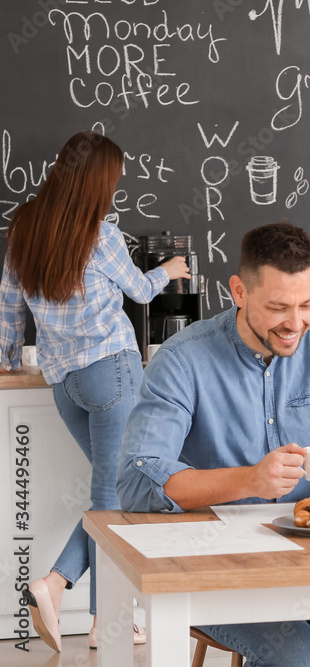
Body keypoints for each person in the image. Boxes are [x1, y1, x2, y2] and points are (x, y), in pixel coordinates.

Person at [116, 221, 310, 666]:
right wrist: (248, 480)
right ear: (239, 292)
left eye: (308, 305)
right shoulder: (183, 360)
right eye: (279, 307)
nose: (295, 323)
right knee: (294, 650)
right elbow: (138, 478)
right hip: (214, 561)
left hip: (309, 559)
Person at [0, 131, 190, 652]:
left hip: (64, 382)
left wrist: (9, 358)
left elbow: (9, 304)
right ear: (96, 184)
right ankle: (78, 597)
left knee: (120, 490)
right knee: (118, 495)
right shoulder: (101, 235)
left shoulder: (24, 230)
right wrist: (170, 269)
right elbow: (139, 289)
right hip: (112, 371)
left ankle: (95, 606)